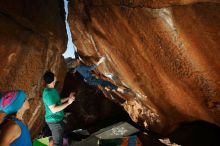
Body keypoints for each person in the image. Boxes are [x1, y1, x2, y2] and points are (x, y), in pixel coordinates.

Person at [42, 71, 75, 146]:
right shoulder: (48, 94)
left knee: (60, 138)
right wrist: (69, 103)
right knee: (57, 143)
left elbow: (58, 102)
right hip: (54, 122)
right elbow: (54, 109)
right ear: (53, 79)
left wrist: (68, 98)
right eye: (55, 76)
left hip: (58, 119)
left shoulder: (52, 89)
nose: (56, 77)